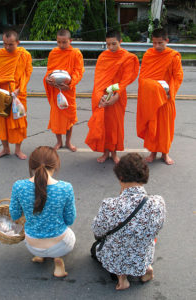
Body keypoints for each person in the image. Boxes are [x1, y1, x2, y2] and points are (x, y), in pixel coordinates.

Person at [92, 153, 166, 290]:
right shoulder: (158, 202)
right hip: (142, 255)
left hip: (117, 256)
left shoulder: (110, 205)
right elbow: (158, 228)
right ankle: (146, 268)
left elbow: (97, 230)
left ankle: (122, 278)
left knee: (95, 247)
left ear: (121, 177)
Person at [9, 146, 76, 277]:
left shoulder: (19, 186)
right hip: (60, 245)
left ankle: (40, 256)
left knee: (34, 237)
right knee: (70, 233)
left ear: (31, 165)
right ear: (56, 165)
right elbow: (70, 220)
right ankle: (57, 261)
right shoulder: (65, 188)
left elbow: (15, 215)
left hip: (32, 245)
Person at [85, 30, 139, 164]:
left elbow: (126, 79)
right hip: (103, 96)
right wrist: (99, 97)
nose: (110, 47)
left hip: (118, 97)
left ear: (120, 42)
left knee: (115, 126)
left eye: (114, 44)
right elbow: (98, 79)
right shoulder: (103, 56)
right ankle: (105, 152)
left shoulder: (128, 57)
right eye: (108, 44)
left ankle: (114, 153)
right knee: (104, 125)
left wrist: (117, 95)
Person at [137, 28, 183, 165]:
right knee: (153, 126)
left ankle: (165, 153)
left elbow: (178, 77)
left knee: (165, 128)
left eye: (160, 43)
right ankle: (153, 152)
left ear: (167, 41)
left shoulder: (173, 56)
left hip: (166, 98)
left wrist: (171, 92)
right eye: (154, 43)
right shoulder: (148, 55)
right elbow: (143, 77)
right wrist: (152, 88)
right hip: (152, 97)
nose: (156, 46)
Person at [0, 28, 33, 160]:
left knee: (19, 122)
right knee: (2, 122)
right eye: (5, 43)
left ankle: (18, 150)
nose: (7, 47)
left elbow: (26, 74)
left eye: (10, 44)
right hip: (1, 94)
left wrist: (19, 89)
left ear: (18, 42)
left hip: (18, 93)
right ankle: (5, 149)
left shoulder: (24, 55)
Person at [43, 29, 84, 152]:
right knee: (56, 118)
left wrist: (70, 84)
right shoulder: (53, 53)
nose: (61, 45)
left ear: (70, 41)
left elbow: (79, 71)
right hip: (56, 90)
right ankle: (59, 141)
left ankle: (68, 142)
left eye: (64, 42)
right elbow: (49, 70)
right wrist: (48, 79)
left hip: (68, 90)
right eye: (59, 42)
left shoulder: (76, 53)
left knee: (69, 119)